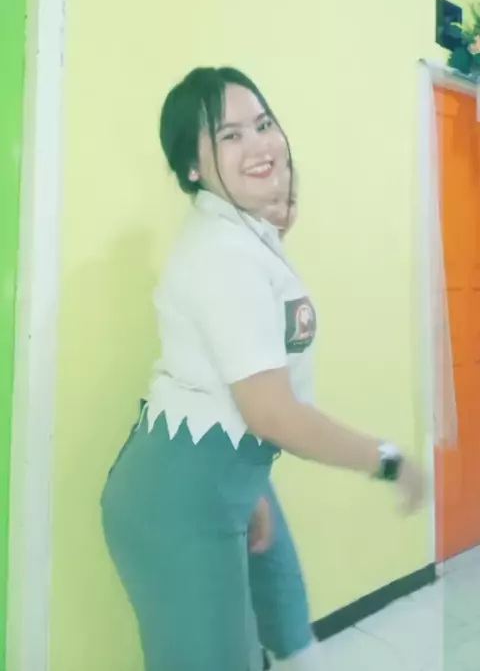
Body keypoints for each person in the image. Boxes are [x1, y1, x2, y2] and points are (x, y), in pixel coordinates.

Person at [101, 66, 425, 671]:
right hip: (176, 501)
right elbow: (274, 414)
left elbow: (228, 384)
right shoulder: (221, 253)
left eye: (264, 123)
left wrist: (247, 488)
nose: (260, 144)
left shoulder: (244, 236)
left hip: (227, 478)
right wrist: (387, 459)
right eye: (230, 135)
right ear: (192, 167)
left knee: (287, 622)